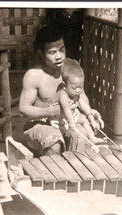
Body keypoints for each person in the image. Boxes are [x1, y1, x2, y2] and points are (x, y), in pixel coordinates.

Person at [19, 25, 103, 156]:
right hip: (40, 124)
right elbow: (23, 109)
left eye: (61, 49)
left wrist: (90, 112)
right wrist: (50, 111)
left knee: (83, 136)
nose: (59, 56)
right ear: (41, 53)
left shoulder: (71, 67)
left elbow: (81, 96)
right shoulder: (34, 75)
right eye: (52, 52)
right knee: (54, 142)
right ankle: (53, 172)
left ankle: (75, 171)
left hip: (66, 121)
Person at [49, 57, 103, 144]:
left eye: (80, 87)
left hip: (72, 117)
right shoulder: (62, 94)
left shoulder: (76, 94)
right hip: (61, 120)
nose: (78, 90)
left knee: (84, 120)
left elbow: (84, 106)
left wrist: (92, 119)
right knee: (75, 135)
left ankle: (92, 137)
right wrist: (71, 123)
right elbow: (66, 108)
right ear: (64, 85)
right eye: (74, 88)